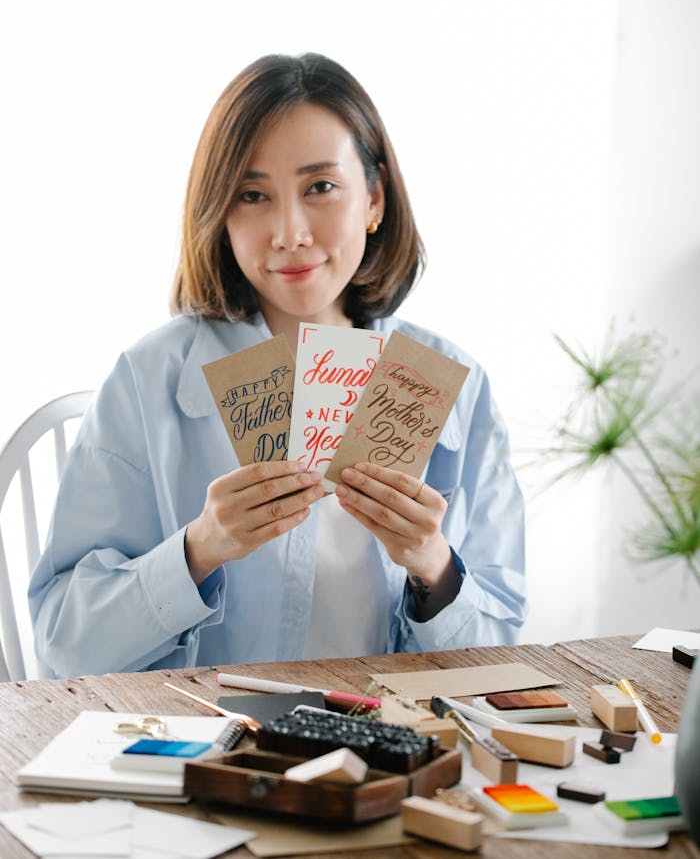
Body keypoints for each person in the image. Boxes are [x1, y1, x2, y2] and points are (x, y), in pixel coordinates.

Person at [29, 53, 527, 677]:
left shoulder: (455, 385)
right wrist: (200, 549)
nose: (289, 232)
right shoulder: (147, 379)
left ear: (374, 198)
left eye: (320, 187)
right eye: (253, 195)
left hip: (386, 750)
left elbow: (499, 659)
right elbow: (62, 645)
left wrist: (433, 564)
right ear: (221, 214)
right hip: (211, 747)